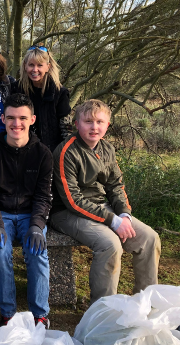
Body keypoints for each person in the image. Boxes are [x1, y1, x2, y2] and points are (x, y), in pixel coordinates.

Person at [51, 99, 159, 302]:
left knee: (149, 239)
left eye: (100, 122)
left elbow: (115, 185)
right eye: (88, 121)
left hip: (104, 208)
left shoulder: (107, 149)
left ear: (107, 125)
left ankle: (146, 302)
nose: (94, 127)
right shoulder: (66, 152)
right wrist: (112, 220)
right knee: (110, 245)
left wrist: (124, 214)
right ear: (76, 123)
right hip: (66, 213)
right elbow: (72, 200)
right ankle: (102, 310)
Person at [0, 93, 53, 327]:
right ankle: (8, 313)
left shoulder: (43, 154)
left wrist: (37, 226)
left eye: (22, 118)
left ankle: (40, 314)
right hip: (2, 214)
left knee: (37, 252)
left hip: (31, 214)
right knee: (0, 251)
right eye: (11, 117)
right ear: (2, 119)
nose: (16, 123)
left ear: (32, 119)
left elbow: (44, 196)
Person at [18, 45, 73, 150]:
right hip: (22, 150)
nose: (35, 70)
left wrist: (65, 153)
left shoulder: (60, 93)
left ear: (48, 66)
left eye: (40, 65)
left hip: (52, 151)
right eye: (31, 65)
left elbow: (66, 129)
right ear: (25, 66)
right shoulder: (16, 89)